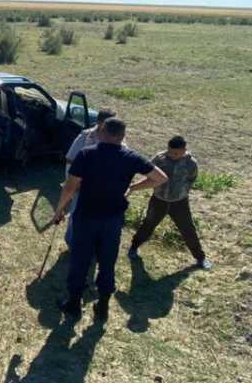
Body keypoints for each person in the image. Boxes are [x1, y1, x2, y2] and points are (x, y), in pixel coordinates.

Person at [53, 118, 167, 321]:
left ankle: (74, 304)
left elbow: (70, 186)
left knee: (80, 260)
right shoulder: (131, 156)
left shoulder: (86, 154)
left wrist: (59, 210)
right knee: (107, 261)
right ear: (123, 136)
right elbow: (160, 178)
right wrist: (133, 188)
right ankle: (103, 306)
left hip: (86, 216)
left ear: (102, 132)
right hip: (113, 219)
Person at [128, 136, 213, 270]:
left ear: (184, 150)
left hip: (180, 202)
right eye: (170, 152)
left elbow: (191, 179)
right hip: (158, 200)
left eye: (177, 153)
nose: (173, 155)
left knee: (188, 230)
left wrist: (182, 191)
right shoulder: (159, 159)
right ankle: (133, 247)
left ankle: (200, 258)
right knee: (148, 224)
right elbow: (150, 175)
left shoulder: (191, 164)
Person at [62, 108, 116, 247]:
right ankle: (72, 242)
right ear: (99, 122)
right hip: (82, 186)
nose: (112, 126)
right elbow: (70, 160)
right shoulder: (85, 136)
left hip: (104, 188)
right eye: (109, 123)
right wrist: (72, 183)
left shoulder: (117, 136)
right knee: (77, 214)